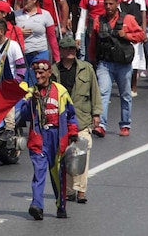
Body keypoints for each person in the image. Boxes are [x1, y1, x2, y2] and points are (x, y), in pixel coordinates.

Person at [24, 59, 80, 221]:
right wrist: (31, 102)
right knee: (39, 172)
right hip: (39, 137)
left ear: (49, 73)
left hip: (57, 137)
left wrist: (73, 132)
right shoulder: (30, 92)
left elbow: (70, 114)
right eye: (36, 73)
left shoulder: (60, 91)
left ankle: (61, 206)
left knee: (58, 174)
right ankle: (37, 206)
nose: (38, 76)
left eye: (42, 73)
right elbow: (24, 116)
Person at [51, 35, 101, 205]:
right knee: (65, 156)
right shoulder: (53, 71)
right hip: (61, 121)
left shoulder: (86, 69)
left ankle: (81, 190)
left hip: (82, 119)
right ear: (61, 51)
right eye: (68, 49)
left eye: (73, 48)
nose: (71, 51)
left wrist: (97, 113)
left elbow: (95, 91)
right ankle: (69, 190)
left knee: (81, 154)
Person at [87, 0, 144, 137]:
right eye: (106, 4)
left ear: (117, 4)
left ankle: (125, 124)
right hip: (105, 63)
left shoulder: (128, 19)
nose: (108, 7)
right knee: (103, 94)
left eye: (111, 4)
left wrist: (127, 36)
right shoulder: (99, 20)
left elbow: (141, 36)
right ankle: (101, 125)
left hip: (123, 64)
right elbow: (94, 40)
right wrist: (92, 58)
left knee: (125, 95)